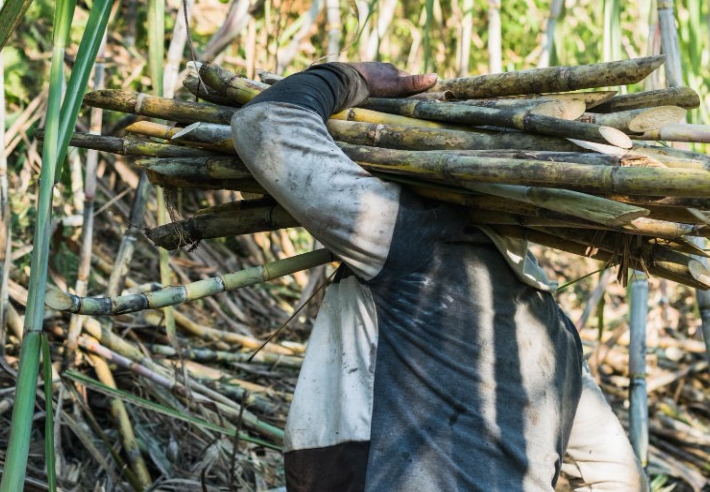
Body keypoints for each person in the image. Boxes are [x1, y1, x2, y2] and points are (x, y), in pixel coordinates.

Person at [230, 62, 648, 492]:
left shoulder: (414, 241)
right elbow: (618, 477)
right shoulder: (555, 326)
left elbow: (266, 125)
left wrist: (350, 78)